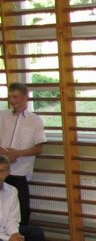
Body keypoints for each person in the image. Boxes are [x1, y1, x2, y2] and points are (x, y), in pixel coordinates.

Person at [0, 154, 52, 241]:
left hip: (6, 234)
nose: (0, 175)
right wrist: (8, 239)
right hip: (1, 239)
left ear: (8, 172)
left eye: (2, 171)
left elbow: (13, 219)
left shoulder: (11, 191)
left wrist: (14, 234)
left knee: (36, 233)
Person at [0, 82, 47, 226]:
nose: (12, 100)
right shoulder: (2, 116)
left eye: (15, 97)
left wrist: (19, 153)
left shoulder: (35, 120)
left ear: (26, 97)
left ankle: (20, 238)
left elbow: (39, 149)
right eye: (10, 97)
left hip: (20, 173)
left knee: (22, 211)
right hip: (1, 171)